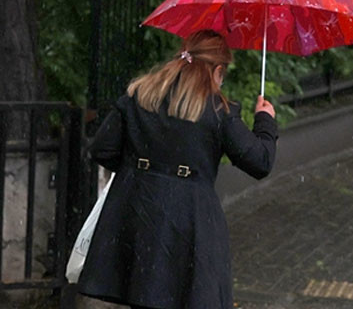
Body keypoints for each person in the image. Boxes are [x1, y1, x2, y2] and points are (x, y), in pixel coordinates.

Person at [78, 30, 279, 308]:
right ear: (217, 70)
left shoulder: (139, 95)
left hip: (137, 211)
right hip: (190, 221)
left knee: (142, 295)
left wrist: (141, 173)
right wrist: (265, 121)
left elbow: (102, 149)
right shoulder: (219, 111)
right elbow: (260, 162)